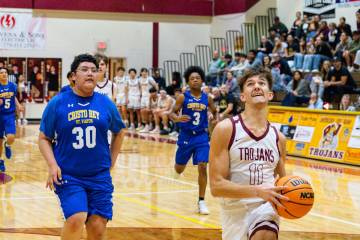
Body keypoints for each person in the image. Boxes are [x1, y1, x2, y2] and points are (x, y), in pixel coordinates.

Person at [38, 54, 125, 240]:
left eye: (94, 70)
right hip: (69, 174)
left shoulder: (105, 103)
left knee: (97, 227)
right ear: (73, 77)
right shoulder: (58, 103)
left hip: (99, 175)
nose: (90, 74)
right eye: (84, 70)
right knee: (77, 217)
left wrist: (112, 161)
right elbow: (44, 138)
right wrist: (52, 165)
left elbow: (120, 131)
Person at [209, 69, 288, 240]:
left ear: (270, 94)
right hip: (234, 210)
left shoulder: (279, 138)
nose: (257, 86)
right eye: (250, 84)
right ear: (243, 96)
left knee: (265, 233)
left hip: (266, 208)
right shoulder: (226, 129)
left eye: (262, 83)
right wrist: (257, 191)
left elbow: (284, 184)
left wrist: (297, 196)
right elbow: (216, 186)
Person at [170, 66, 217, 215]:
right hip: (186, 136)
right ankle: (177, 167)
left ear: (202, 80)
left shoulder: (207, 98)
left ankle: (201, 201)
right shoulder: (183, 97)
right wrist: (177, 118)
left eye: (197, 78)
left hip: (201, 137)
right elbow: (171, 113)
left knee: (203, 165)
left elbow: (215, 112)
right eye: (192, 78)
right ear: (188, 82)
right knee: (179, 169)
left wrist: (212, 119)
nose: (195, 80)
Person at [0, 67, 24, 171]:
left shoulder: (12, 86)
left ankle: (7, 145)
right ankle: (1, 161)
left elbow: (13, 97)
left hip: (9, 115)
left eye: (5, 72)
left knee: (11, 137)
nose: (4, 74)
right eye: (1, 73)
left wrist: (18, 105)